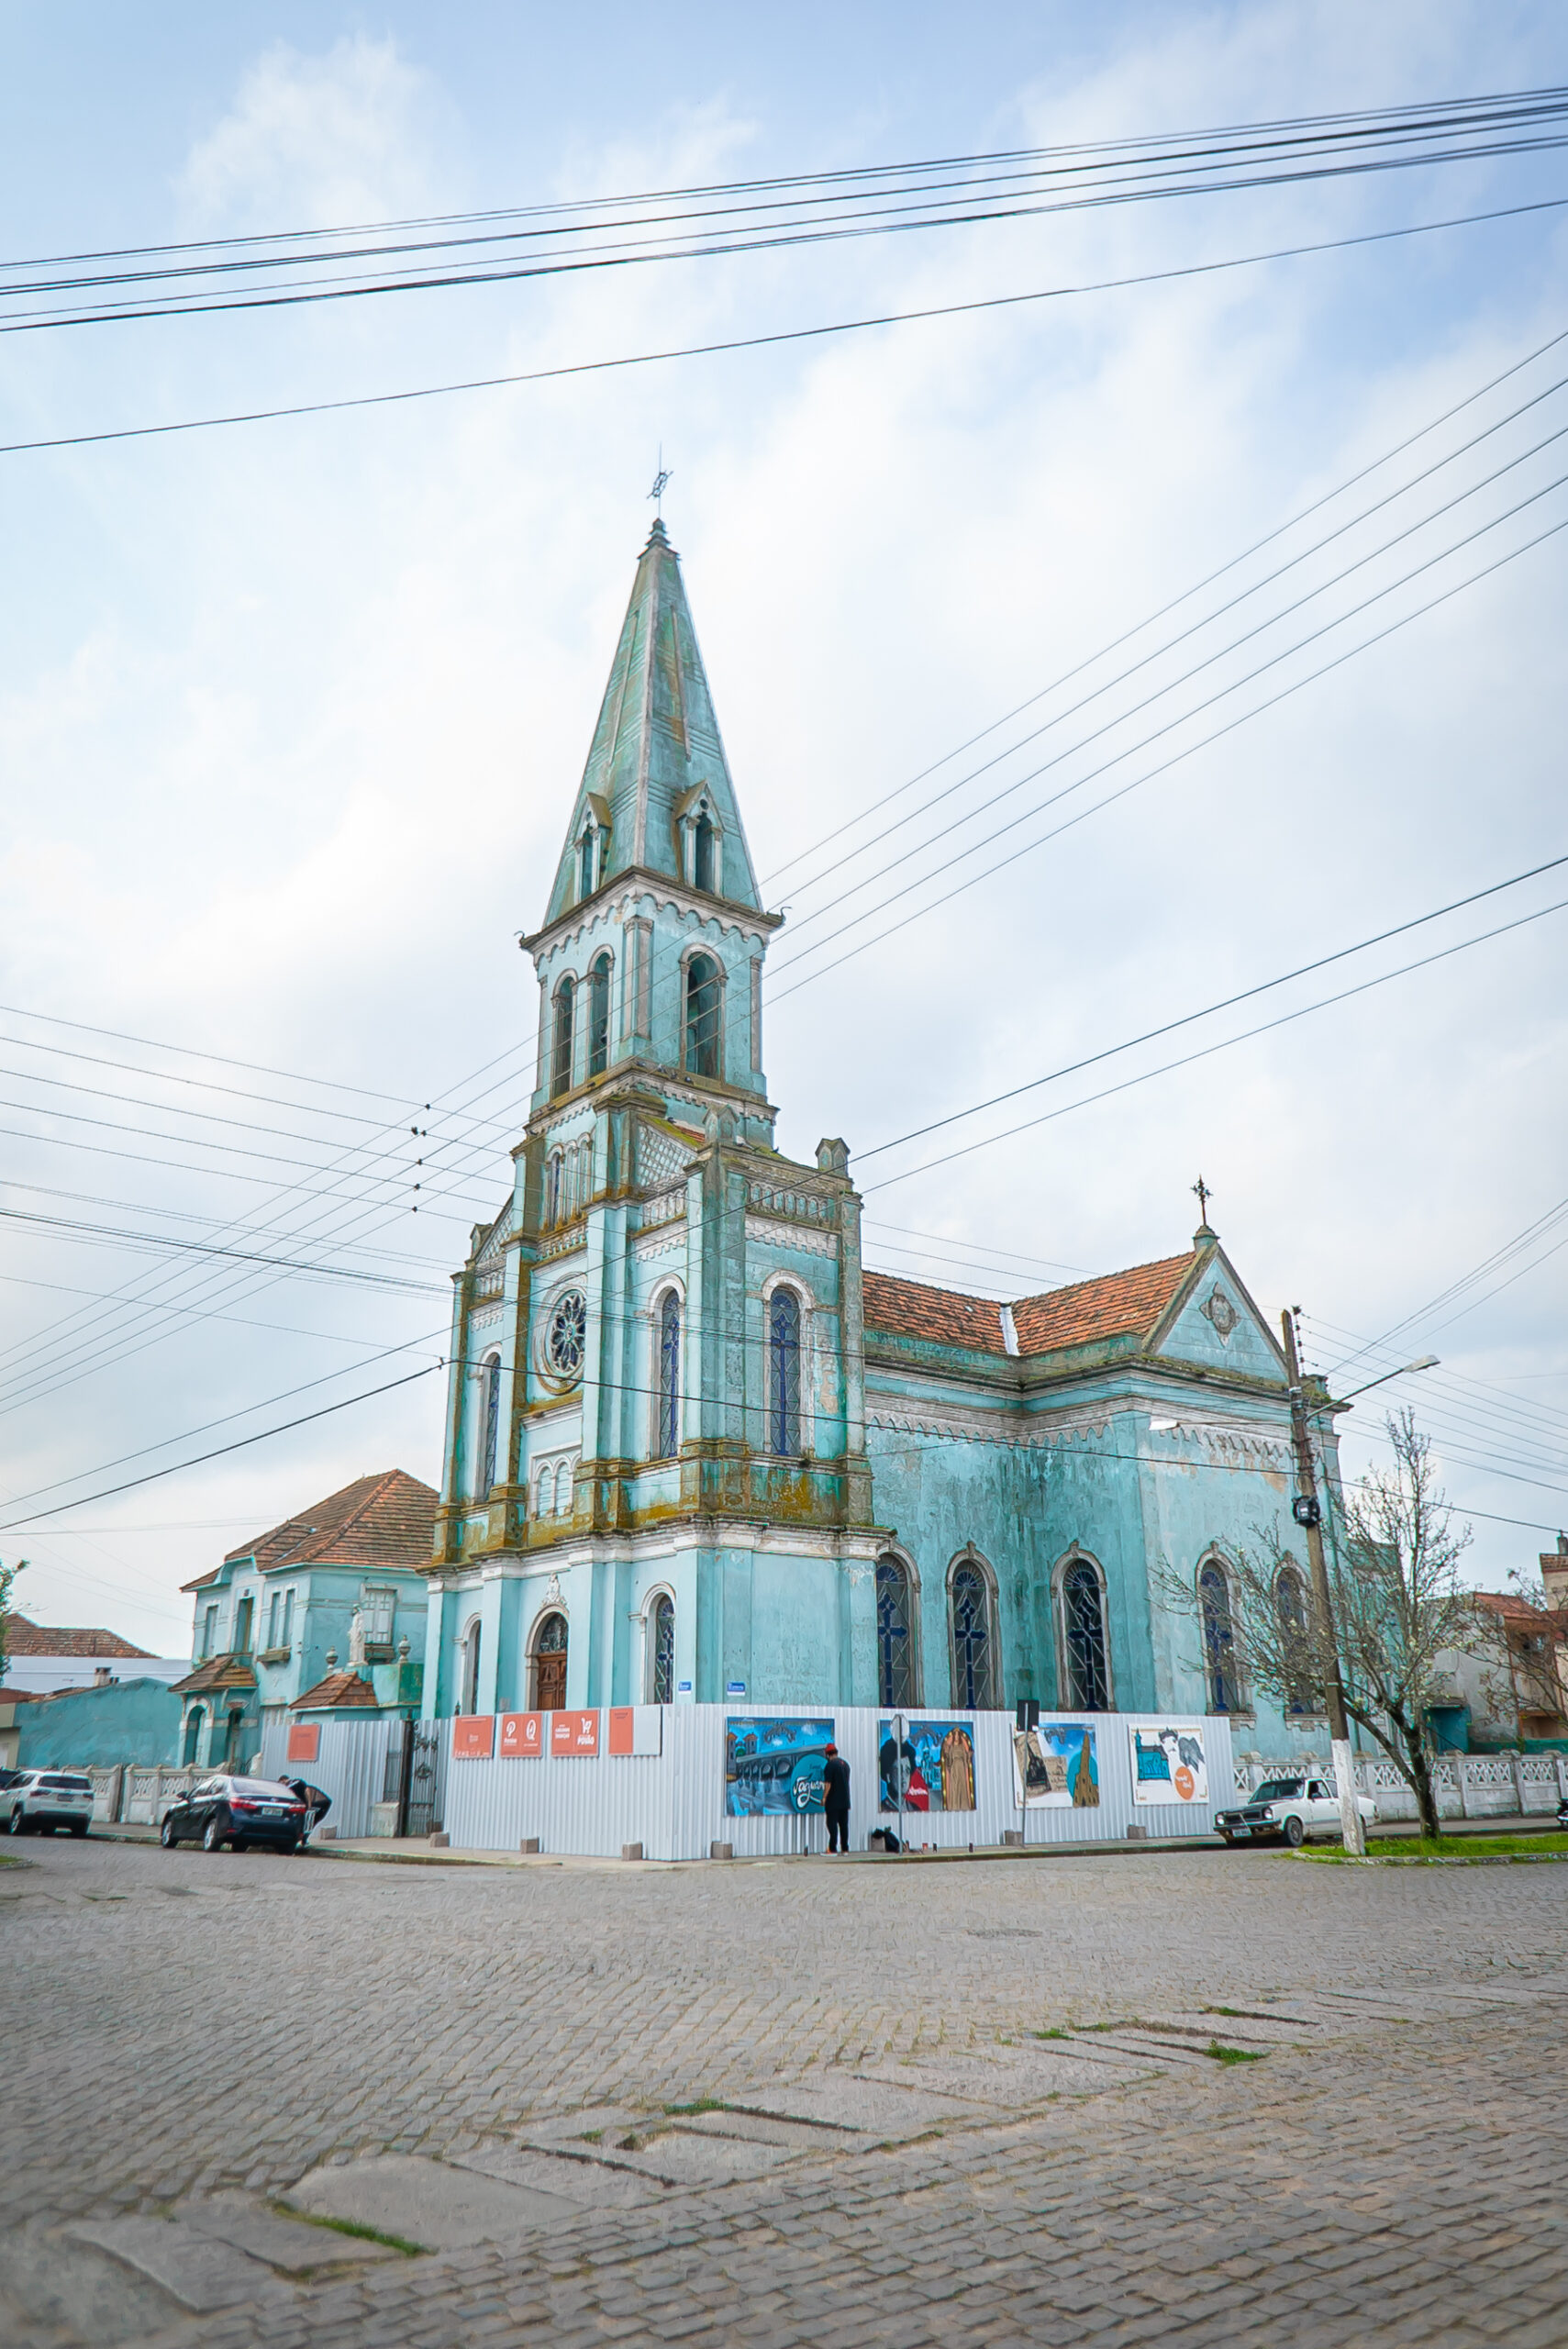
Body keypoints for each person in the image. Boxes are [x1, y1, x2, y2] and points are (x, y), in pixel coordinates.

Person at [823, 1743, 851, 1854]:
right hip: (845, 1800)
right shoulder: (845, 1765)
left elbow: (828, 1784)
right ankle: (845, 1849)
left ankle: (832, 1849)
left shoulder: (830, 1765)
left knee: (832, 1824)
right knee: (844, 1825)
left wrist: (824, 1797)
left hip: (833, 1801)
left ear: (827, 1755)